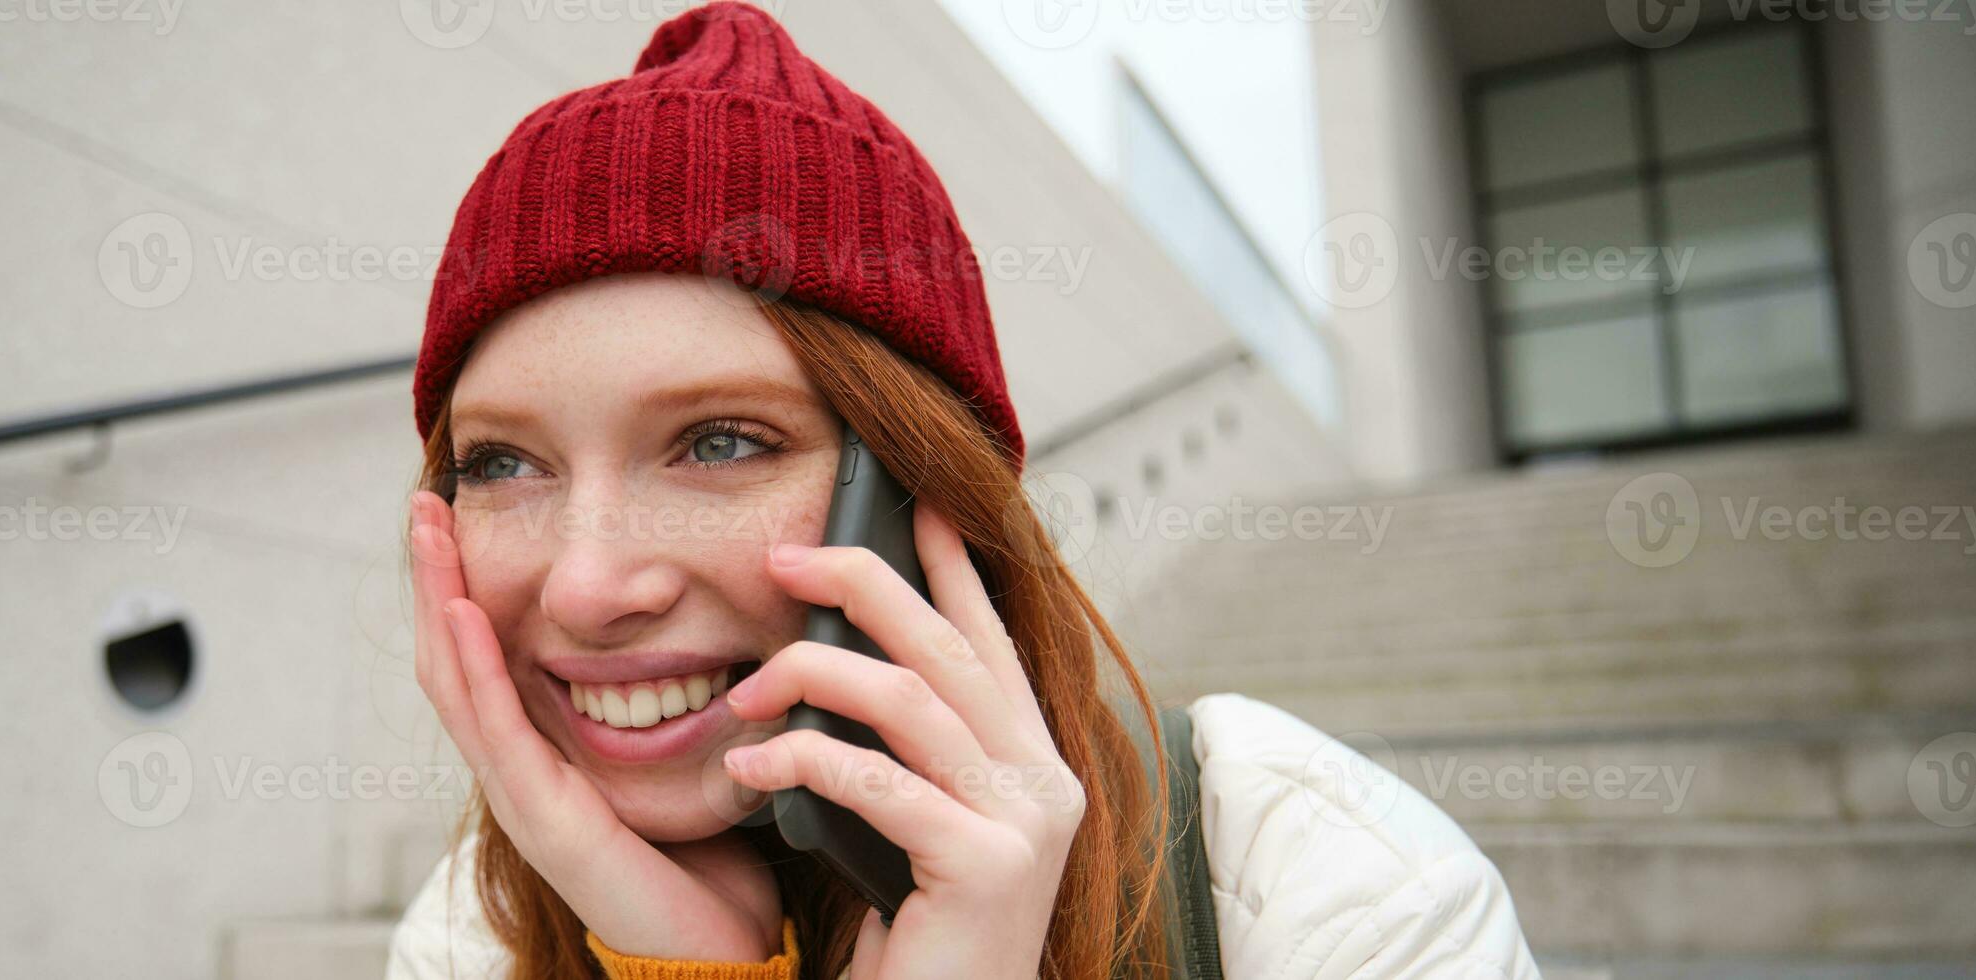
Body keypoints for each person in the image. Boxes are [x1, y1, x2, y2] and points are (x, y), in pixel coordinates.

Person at [389, 4, 1540, 977]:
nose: (589, 587)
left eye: (722, 442)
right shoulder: (465, 935)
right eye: (501, 463)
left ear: (913, 488)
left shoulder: (1324, 877)